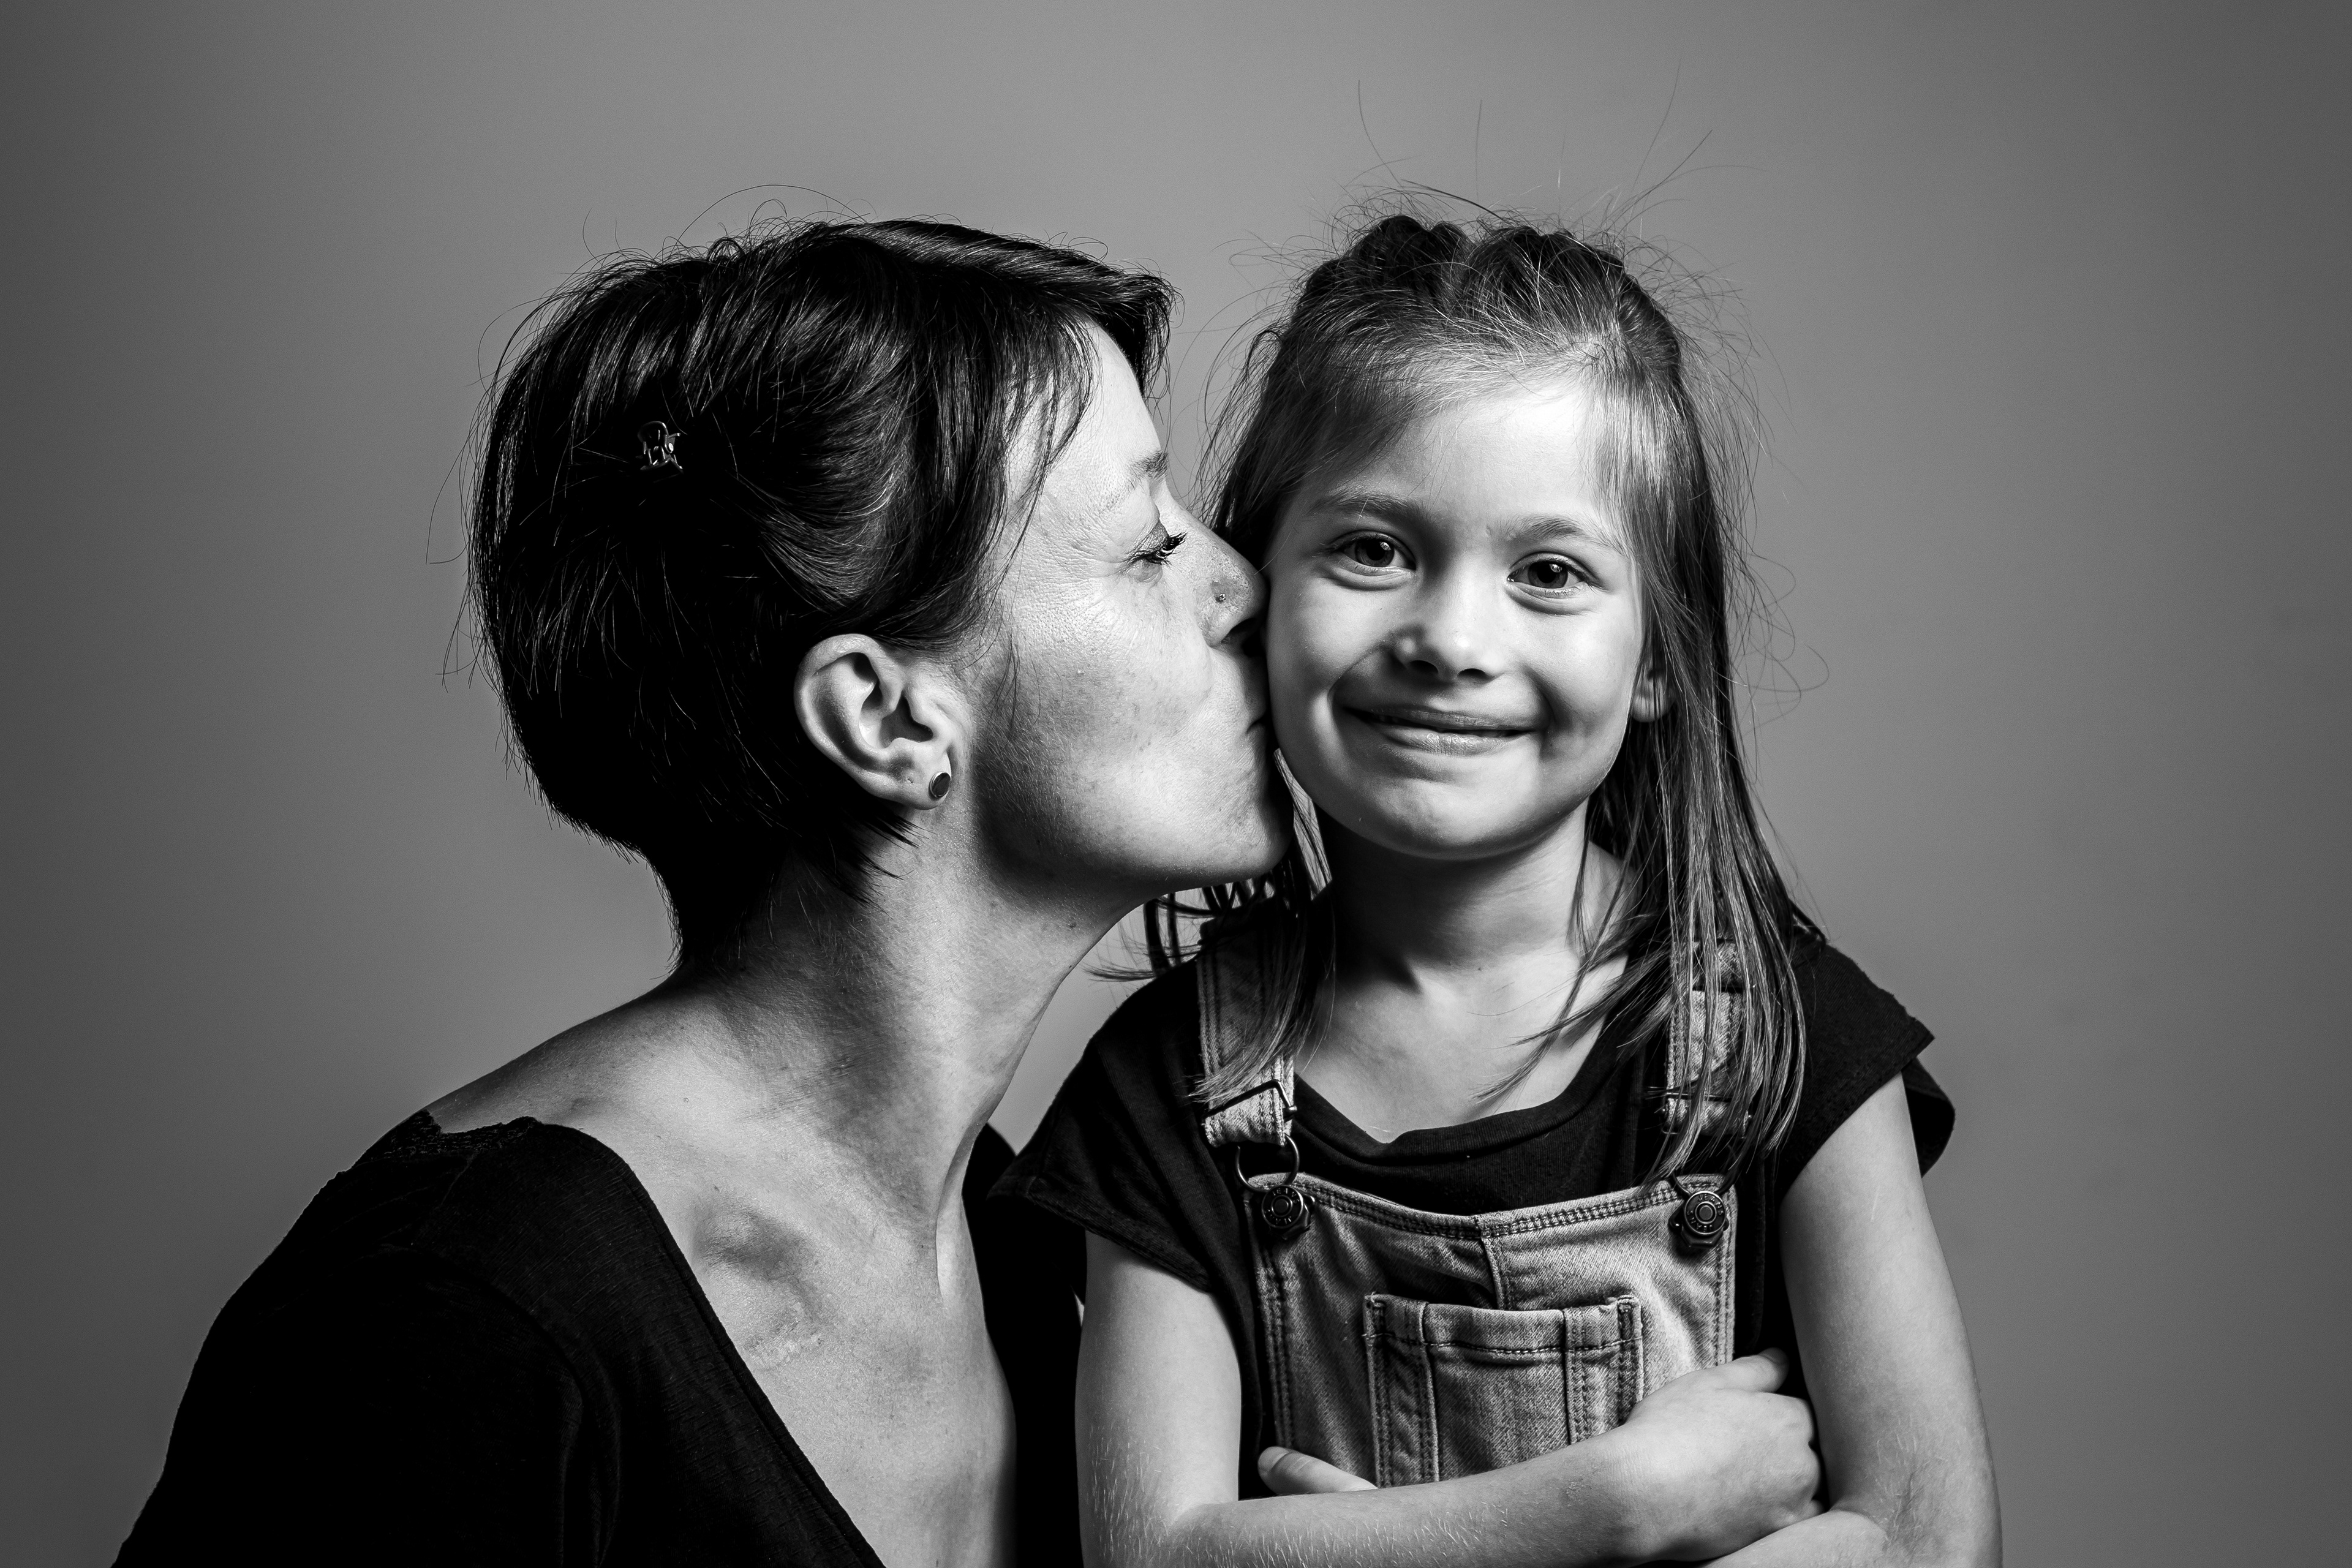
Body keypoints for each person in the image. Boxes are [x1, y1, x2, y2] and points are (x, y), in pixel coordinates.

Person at [115, 217, 1291, 1567]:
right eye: (1150, 545)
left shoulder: (1031, 1255)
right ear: (885, 718)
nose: (1243, 585)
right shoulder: (456, 1326)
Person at [1001, 213, 2002, 1566]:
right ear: (1255, 587)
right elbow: (1156, 1555)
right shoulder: (1168, 1085)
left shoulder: (1785, 1039)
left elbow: (1933, 1543)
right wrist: (1612, 1505)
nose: (1452, 640)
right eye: (1374, 549)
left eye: (1550, 573)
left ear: (1658, 659)